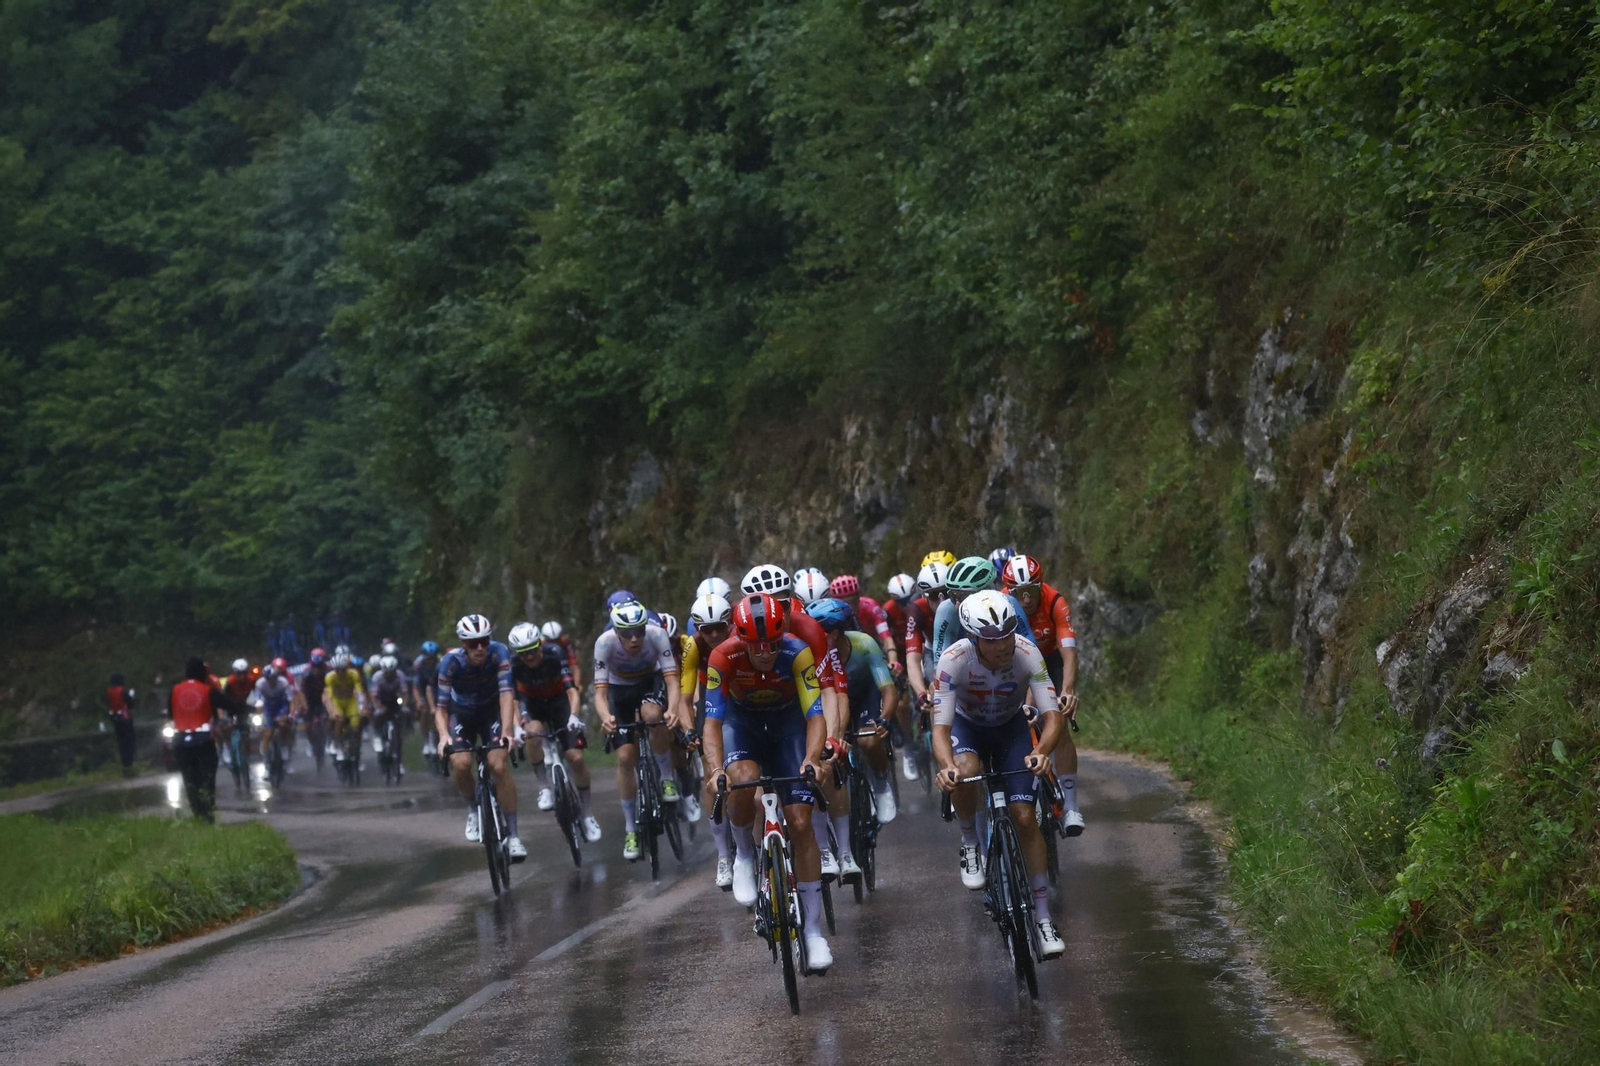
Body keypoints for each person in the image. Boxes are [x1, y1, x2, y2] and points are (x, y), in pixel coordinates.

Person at [931, 590, 1067, 957]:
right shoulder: (953, 660)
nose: (1004, 645)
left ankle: (1042, 918)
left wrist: (1042, 752)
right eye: (993, 640)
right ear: (975, 639)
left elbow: (1052, 716)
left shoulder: (1026, 651)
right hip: (968, 728)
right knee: (966, 770)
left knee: (1025, 818)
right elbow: (940, 729)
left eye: (1007, 634)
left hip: (1011, 730)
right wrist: (946, 767)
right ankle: (971, 843)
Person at [702, 592, 833, 971]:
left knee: (802, 821)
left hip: (788, 726)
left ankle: (812, 932)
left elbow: (815, 714)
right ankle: (744, 853)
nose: (765, 652)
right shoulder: (721, 656)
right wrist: (715, 769)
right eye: (756, 645)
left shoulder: (797, 652)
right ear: (740, 638)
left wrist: (812, 758)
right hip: (741, 726)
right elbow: (712, 723)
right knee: (741, 780)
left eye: (772, 644)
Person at [593, 600, 683, 861]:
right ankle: (630, 828)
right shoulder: (604, 643)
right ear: (616, 631)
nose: (634, 639)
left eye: (638, 631)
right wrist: (605, 716)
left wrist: (673, 709)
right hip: (618, 691)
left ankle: (666, 779)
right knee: (624, 758)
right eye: (627, 633)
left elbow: (671, 679)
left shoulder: (657, 635)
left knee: (653, 715)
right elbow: (600, 693)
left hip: (648, 683)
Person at [1001, 554, 1084, 833]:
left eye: (1031, 591)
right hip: (1015, 665)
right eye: (1018, 593)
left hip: (1050, 660)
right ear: (1009, 592)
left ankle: (1071, 807)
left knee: (1058, 723)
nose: (1026, 599)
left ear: (1041, 585)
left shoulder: (1055, 601)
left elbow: (1069, 652)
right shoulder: (1000, 603)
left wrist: (1068, 691)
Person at [438, 614, 525, 860]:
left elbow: (507, 694)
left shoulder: (499, 653)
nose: (480, 648)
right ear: (463, 644)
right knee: (461, 763)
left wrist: (508, 731)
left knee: (498, 765)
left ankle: (515, 836)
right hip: (461, 715)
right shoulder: (449, 662)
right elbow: (441, 708)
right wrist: (444, 736)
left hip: (491, 712)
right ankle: (473, 811)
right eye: (473, 643)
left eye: (484, 641)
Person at [508, 622, 601, 843]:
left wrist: (574, 716)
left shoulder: (554, 653)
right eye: (523, 653)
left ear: (540, 644)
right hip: (532, 704)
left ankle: (588, 814)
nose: (529, 657)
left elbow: (571, 690)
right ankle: (544, 787)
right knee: (533, 732)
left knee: (576, 758)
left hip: (559, 702)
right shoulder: (512, 665)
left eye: (532, 650)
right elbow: (511, 699)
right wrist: (515, 726)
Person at [680, 592, 735, 886]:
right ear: (697, 629)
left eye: (719, 627)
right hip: (713, 700)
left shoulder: (742, 635)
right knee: (709, 769)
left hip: (744, 696)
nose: (714, 634)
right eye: (706, 629)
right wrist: (689, 729)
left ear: (730, 623)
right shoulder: (693, 646)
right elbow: (684, 697)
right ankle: (724, 855)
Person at [167, 658, 228, 821]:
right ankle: (208, 812)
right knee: (207, 776)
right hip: (203, 741)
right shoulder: (207, 689)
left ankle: (198, 814)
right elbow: (225, 704)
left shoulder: (175, 690)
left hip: (181, 742)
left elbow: (171, 714)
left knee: (189, 779)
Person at [255, 660, 295, 769]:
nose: (272, 681)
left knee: (284, 726)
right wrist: (261, 715)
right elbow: (258, 702)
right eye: (269, 679)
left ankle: (287, 753)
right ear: (265, 678)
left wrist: (291, 714)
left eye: (274, 678)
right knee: (267, 733)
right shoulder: (260, 683)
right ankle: (266, 760)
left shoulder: (283, 682)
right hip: (268, 707)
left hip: (281, 706)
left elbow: (291, 700)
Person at [105, 672, 138, 775]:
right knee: (129, 743)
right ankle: (129, 766)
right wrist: (132, 696)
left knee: (121, 744)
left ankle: (125, 766)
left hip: (116, 720)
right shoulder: (123, 692)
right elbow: (131, 704)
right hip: (125, 719)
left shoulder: (109, 692)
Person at [540, 622, 582, 688]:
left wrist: (577, 684)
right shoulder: (540, 644)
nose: (554, 644)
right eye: (551, 641)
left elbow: (574, 665)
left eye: (556, 640)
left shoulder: (565, 642)